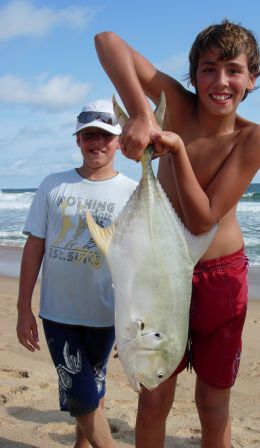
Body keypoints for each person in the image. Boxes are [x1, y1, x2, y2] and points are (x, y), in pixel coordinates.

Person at [94, 19, 260, 448]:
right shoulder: (174, 103)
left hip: (220, 280)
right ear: (193, 77)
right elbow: (107, 41)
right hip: (159, 271)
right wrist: (141, 112)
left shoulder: (253, 139)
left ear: (252, 78)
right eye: (208, 69)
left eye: (233, 69)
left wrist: (175, 150)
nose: (220, 81)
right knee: (152, 400)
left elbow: (202, 219)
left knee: (213, 404)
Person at [16, 99, 137, 448]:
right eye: (89, 136)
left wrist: (131, 323)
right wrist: (24, 307)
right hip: (58, 313)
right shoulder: (53, 185)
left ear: (118, 141)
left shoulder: (131, 191)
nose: (96, 143)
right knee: (80, 394)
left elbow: (138, 262)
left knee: (94, 387)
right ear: (78, 140)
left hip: (106, 313)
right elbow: (34, 247)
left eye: (105, 135)